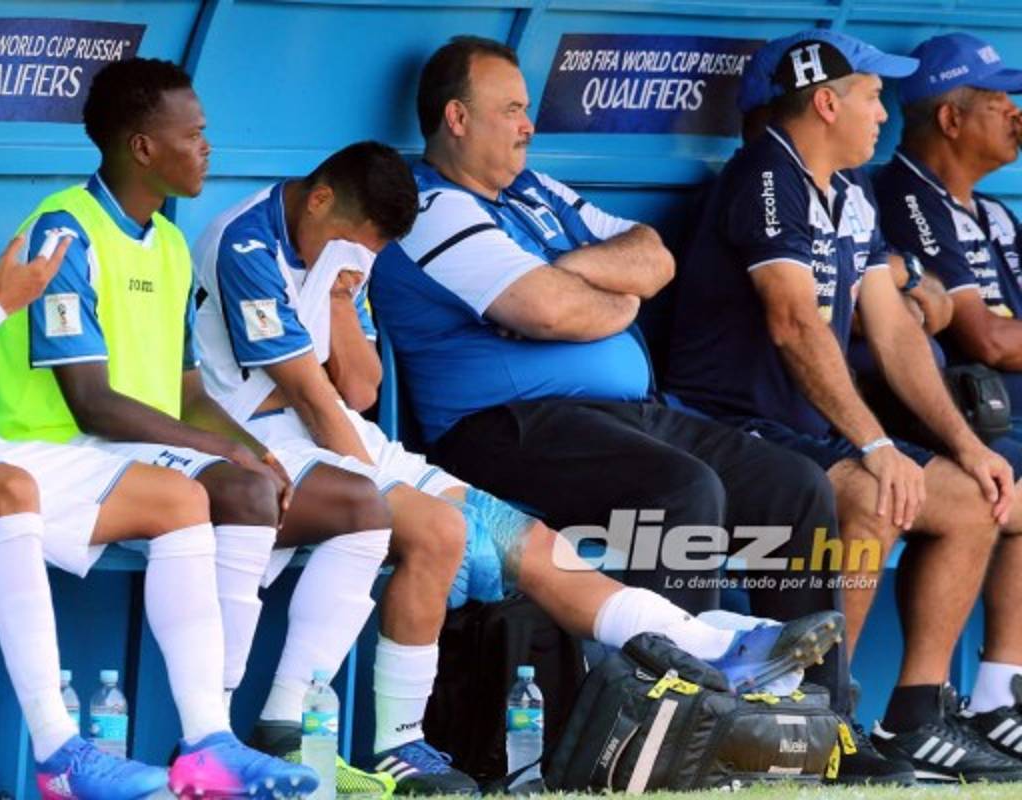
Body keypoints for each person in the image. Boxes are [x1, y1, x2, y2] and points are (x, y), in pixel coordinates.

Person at [191, 139, 845, 789]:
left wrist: (336, 302)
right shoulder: (246, 240)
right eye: (354, 241)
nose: (359, 258)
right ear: (324, 197)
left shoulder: (345, 249)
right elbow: (313, 398)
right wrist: (387, 478)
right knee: (441, 529)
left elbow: (358, 391)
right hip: (270, 445)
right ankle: (390, 745)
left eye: (368, 250)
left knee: (538, 549)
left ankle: (711, 647)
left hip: (347, 439)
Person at [0, 41, 313, 800]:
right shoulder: (65, 226)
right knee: (5, 491)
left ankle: (211, 741)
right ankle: (57, 753)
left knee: (188, 499)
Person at [367, 33, 863, 776]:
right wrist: (598, 295)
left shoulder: (537, 194)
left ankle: (816, 736)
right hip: (500, 430)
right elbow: (545, 310)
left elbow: (650, 256)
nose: (528, 124)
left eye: (529, 108)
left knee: (793, 488)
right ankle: (670, 736)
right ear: (456, 119)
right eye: (509, 110)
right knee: (681, 491)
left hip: (622, 415)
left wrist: (573, 274)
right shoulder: (428, 205)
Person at [0, 58, 404, 795]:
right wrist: (218, 449)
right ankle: (210, 739)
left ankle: (219, 739)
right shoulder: (64, 231)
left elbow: (184, 391)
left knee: (278, 490)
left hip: (127, 454)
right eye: (195, 133)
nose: (209, 148)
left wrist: (249, 448)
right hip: (51, 449)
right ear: (143, 147)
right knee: (227, 490)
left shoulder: (168, 245)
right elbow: (90, 402)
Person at [665, 28, 1022, 782]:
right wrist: (877, 444)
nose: (885, 116)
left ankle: (916, 714)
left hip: (799, 431)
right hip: (720, 426)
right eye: (870, 96)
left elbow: (893, 331)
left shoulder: (851, 190)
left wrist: (965, 445)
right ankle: (821, 723)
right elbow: (793, 320)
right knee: (870, 496)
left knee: (972, 499)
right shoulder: (768, 174)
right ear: (825, 102)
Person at [875, 31, 1022, 762]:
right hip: (955, 414)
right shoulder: (904, 195)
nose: (1017, 115)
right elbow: (987, 342)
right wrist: (1003, 334)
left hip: (1004, 407)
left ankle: (1001, 691)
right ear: (951, 120)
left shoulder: (995, 213)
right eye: (1002, 102)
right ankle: (969, 698)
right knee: (1008, 483)